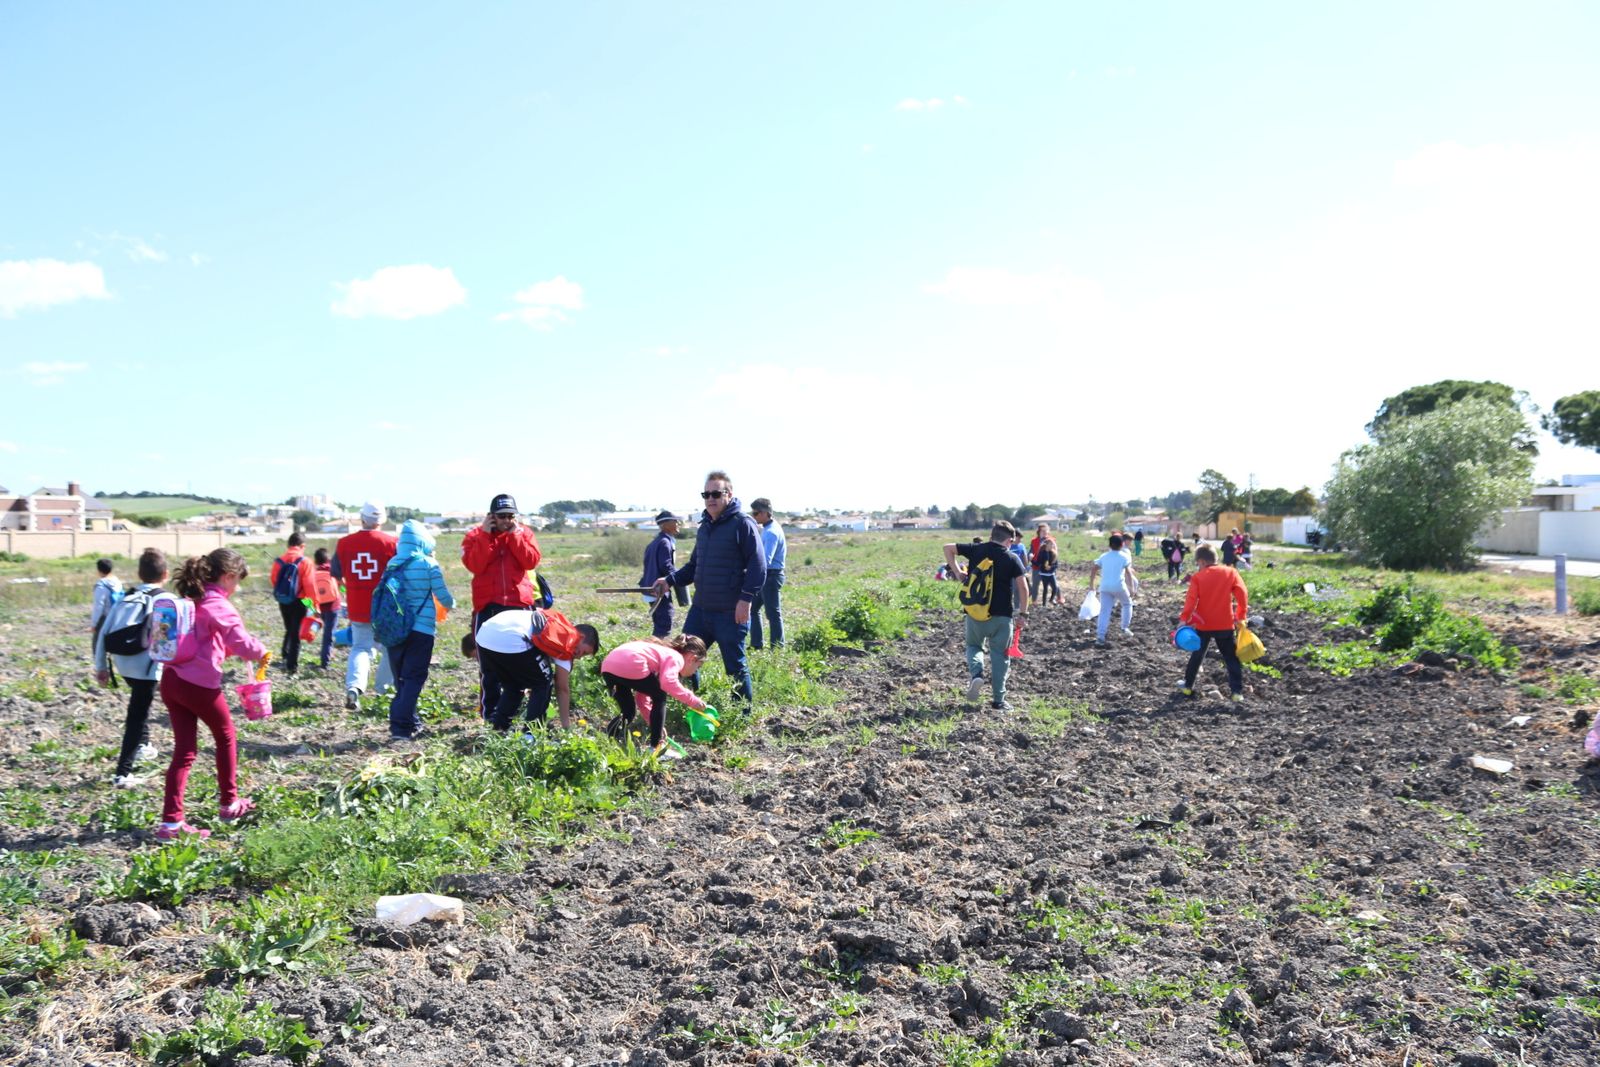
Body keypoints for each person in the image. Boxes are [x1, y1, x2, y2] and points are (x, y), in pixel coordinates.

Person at [156, 548, 265, 841]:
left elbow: (210, 640)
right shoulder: (219, 604)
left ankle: (171, 823)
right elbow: (242, 643)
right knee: (226, 736)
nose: (237, 588)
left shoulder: (194, 598)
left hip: (171, 680)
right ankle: (230, 803)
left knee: (184, 751)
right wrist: (262, 650)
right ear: (228, 576)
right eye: (237, 581)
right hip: (197, 686)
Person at [653, 471, 765, 704]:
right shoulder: (704, 527)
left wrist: (745, 599)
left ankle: (741, 715)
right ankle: (692, 704)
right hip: (701, 610)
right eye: (706, 494)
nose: (710, 498)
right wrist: (669, 581)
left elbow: (758, 564)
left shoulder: (742, 524)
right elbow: (695, 565)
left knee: (734, 666)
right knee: (683, 656)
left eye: (716, 493)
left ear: (729, 494)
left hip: (730, 612)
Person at [461, 493, 543, 717]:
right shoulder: (475, 536)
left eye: (510, 516)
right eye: (501, 516)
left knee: (523, 661)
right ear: (491, 517)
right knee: (489, 666)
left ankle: (517, 711)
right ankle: (491, 715)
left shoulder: (524, 533)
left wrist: (515, 536)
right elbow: (475, 565)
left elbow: (531, 561)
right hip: (488, 607)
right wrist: (486, 536)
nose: (507, 521)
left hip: (519, 606)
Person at [94, 547, 167, 788]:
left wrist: (101, 667)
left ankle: (143, 746)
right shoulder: (166, 600)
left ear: (139, 573)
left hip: (123, 663)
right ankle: (122, 774)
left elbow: (104, 632)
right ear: (165, 574)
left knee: (140, 703)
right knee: (137, 716)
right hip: (146, 667)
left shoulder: (127, 597)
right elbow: (169, 640)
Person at [378, 521, 455, 742]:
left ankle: (410, 721)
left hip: (394, 629)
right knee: (414, 677)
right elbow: (444, 597)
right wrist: (453, 604)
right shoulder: (429, 564)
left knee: (401, 678)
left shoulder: (393, 562)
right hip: (421, 630)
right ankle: (400, 727)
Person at [943, 521, 1029, 710]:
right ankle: (999, 700)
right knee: (1000, 655)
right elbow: (1023, 587)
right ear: (1010, 540)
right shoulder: (1012, 558)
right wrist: (1023, 613)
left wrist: (958, 572)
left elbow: (947, 548)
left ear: (992, 535)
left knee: (974, 646)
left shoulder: (976, 549)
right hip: (1002, 616)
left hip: (975, 613)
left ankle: (977, 675)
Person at [332, 502, 398, 709]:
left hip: (358, 605)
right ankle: (383, 692)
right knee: (389, 648)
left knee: (360, 647)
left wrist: (350, 588)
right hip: (385, 606)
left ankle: (354, 688)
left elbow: (336, 575)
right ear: (383, 520)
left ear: (361, 518)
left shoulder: (344, 543)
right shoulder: (392, 543)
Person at [601, 634, 710, 754]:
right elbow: (668, 683)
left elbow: (641, 700)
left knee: (628, 712)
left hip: (608, 666)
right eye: (698, 667)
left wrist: (656, 725)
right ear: (691, 658)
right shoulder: (676, 657)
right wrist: (693, 700)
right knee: (660, 696)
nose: (695, 672)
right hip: (632, 662)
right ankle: (657, 748)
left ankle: (607, 741)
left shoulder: (659, 655)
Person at [1178, 543, 1250, 702]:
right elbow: (1242, 594)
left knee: (1197, 655)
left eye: (1198, 564)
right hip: (1225, 624)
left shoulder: (1198, 577)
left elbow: (1191, 601)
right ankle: (1237, 692)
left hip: (1203, 625)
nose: (1198, 567)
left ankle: (1188, 686)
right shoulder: (1231, 572)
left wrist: (1184, 619)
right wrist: (1241, 615)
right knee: (1231, 657)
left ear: (1202, 561)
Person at [268, 532, 316, 676]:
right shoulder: (305, 562)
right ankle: (291, 667)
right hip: (300, 601)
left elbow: (274, 580)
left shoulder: (279, 561)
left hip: (284, 601)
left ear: (288, 545)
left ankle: (285, 653)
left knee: (289, 628)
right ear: (302, 546)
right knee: (296, 634)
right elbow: (309, 586)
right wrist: (312, 605)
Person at [748, 497, 786, 651]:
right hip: (767, 575)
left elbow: (766, 560)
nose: (754, 516)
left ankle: (777, 648)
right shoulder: (769, 528)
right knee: (753, 609)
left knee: (773, 614)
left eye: (756, 513)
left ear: (764, 513)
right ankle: (757, 644)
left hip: (770, 576)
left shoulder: (771, 533)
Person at [639, 510, 682, 639]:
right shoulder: (665, 542)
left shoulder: (656, 542)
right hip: (659, 590)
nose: (678, 524)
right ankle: (656, 652)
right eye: (675, 521)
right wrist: (678, 578)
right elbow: (666, 566)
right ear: (666, 524)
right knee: (664, 626)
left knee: (660, 624)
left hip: (652, 589)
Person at [1088, 533, 1136, 646]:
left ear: (1109, 545)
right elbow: (1128, 573)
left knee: (1104, 611)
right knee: (1127, 604)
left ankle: (1100, 637)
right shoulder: (1124, 557)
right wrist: (1132, 587)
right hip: (1119, 586)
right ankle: (1124, 628)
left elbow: (1094, 569)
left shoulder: (1104, 556)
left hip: (1104, 587)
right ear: (1122, 544)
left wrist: (1091, 584)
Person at [311, 548, 342, 669]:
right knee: (329, 635)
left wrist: (313, 609)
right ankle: (325, 662)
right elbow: (342, 585)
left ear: (315, 561)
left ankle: (326, 656)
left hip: (319, 606)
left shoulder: (312, 573)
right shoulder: (333, 571)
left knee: (324, 632)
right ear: (328, 559)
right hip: (333, 606)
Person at [89, 557, 121, 655]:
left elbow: (99, 607)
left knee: (97, 645)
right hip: (117, 616)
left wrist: (94, 625)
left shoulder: (101, 586)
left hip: (105, 618)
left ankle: (101, 668)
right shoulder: (117, 582)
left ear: (99, 570)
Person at [1028, 523, 1052, 605]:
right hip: (1036, 565)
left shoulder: (1050, 540)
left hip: (1047, 566)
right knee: (1035, 584)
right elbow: (1031, 550)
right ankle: (1034, 600)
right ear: (1039, 531)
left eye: (1046, 530)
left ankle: (1059, 597)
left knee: (1052, 583)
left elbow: (1054, 552)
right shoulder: (1034, 541)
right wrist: (1030, 554)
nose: (1045, 532)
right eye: (1043, 530)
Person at [1034, 536, 1061, 605]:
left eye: (1052, 544)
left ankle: (1051, 600)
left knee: (1055, 588)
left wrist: (1051, 567)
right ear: (1046, 544)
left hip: (1051, 574)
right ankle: (1044, 604)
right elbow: (1038, 563)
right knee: (1045, 589)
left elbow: (1056, 565)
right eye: (1050, 544)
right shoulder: (1041, 553)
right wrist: (1031, 560)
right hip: (1044, 574)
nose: (1052, 545)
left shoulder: (1053, 554)